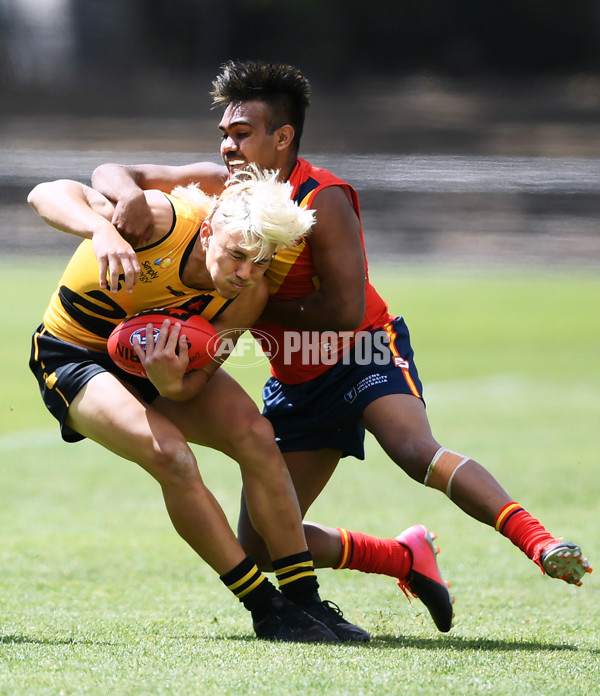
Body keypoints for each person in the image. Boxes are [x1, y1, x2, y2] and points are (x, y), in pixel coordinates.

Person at [91, 60, 592, 632]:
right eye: (224, 133)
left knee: (412, 450)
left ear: (283, 136)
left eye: (242, 133)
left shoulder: (321, 197)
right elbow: (111, 168)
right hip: (294, 374)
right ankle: (403, 557)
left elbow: (343, 310)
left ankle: (541, 542)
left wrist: (237, 299)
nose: (228, 145)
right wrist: (125, 198)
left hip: (363, 350)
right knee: (259, 547)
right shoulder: (219, 184)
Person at [27, 166, 374, 643]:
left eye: (260, 261)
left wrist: (169, 383)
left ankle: (304, 599)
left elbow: (194, 383)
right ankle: (265, 608)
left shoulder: (249, 295)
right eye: (236, 255)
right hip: (74, 354)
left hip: (157, 364)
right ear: (210, 231)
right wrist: (101, 230)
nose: (245, 273)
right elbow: (44, 191)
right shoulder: (158, 222)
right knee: (173, 457)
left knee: (256, 435)